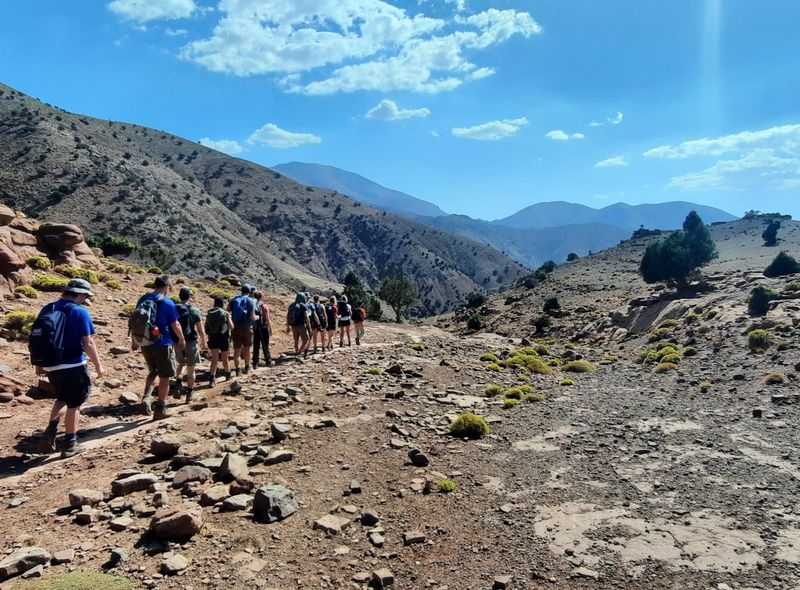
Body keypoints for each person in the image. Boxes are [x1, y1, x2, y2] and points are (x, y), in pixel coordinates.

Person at [32, 278, 104, 458]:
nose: (86, 299)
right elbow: (88, 342)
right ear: (79, 293)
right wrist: (99, 366)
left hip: (51, 365)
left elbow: (38, 337)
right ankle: (70, 443)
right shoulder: (80, 311)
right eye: (86, 295)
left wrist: (39, 363)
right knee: (75, 404)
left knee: (61, 398)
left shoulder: (48, 308)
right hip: (73, 364)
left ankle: (50, 431)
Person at [131, 274, 185, 420]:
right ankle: (161, 409)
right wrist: (181, 338)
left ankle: (146, 399)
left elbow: (136, 321)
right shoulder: (167, 303)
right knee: (165, 376)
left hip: (145, 342)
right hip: (163, 342)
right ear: (167, 286)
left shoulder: (143, 299)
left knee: (153, 371)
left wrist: (135, 341)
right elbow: (175, 324)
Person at [173, 286, 206, 403]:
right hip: (191, 341)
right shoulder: (194, 310)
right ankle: (189, 394)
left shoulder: (174, 308)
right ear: (190, 297)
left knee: (181, 363)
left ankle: (178, 381)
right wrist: (203, 340)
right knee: (191, 370)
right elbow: (200, 329)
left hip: (177, 341)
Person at [228, 284, 257, 376]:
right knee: (247, 349)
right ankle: (247, 368)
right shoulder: (251, 301)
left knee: (237, 350)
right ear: (249, 292)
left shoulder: (233, 299)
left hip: (235, 328)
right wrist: (257, 318)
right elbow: (252, 317)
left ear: (241, 290)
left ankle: (238, 370)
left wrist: (230, 322)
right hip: (247, 328)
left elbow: (227, 312)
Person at [205, 295, 233, 386]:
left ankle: (212, 379)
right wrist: (229, 318)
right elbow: (231, 326)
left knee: (214, 359)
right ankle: (227, 374)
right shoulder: (225, 313)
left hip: (212, 338)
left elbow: (206, 328)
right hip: (223, 338)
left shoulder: (209, 313)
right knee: (225, 358)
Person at [286, 293, 311, 358]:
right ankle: (299, 354)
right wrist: (309, 327)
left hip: (293, 325)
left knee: (296, 340)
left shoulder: (291, 305)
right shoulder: (302, 305)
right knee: (306, 340)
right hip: (301, 325)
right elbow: (306, 317)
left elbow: (287, 316)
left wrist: (288, 327)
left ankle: (296, 352)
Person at [252, 290, 272, 367]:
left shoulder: (252, 305)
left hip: (255, 328)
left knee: (256, 345)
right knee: (265, 345)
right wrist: (270, 329)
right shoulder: (264, 306)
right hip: (263, 327)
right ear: (261, 297)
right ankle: (268, 360)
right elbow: (267, 318)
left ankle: (255, 363)